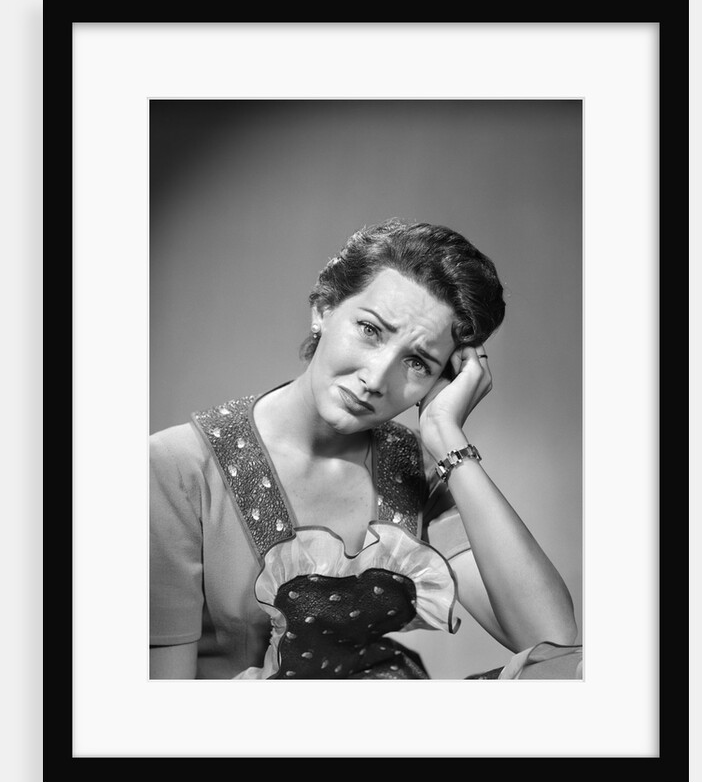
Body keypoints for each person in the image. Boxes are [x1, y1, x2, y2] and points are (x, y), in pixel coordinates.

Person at [150, 219, 582, 680]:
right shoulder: (176, 467)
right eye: (371, 330)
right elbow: (158, 712)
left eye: (417, 362)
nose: (376, 379)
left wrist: (445, 434)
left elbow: (550, 643)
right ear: (324, 308)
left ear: (443, 379)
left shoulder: (415, 467)